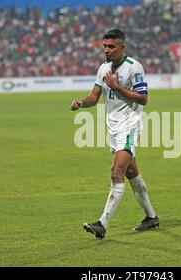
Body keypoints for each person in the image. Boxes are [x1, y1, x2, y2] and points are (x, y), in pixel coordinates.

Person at [69, 29, 159, 240]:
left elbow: (143, 98)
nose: (107, 50)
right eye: (105, 46)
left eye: (111, 47)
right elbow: (94, 95)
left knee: (116, 172)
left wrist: (117, 87)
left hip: (129, 125)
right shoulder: (103, 69)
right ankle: (151, 217)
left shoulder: (134, 67)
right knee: (131, 173)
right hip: (113, 127)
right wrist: (81, 103)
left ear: (122, 47)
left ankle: (102, 223)